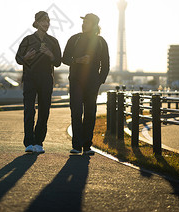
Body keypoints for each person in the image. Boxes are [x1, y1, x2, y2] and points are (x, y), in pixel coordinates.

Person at [62, 13, 109, 155]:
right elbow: (64, 59)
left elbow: (105, 65)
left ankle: (87, 146)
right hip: (76, 81)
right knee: (76, 112)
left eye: (87, 22)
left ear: (94, 25)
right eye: (83, 21)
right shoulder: (74, 39)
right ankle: (77, 146)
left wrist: (99, 81)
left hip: (92, 83)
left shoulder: (101, 42)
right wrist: (77, 61)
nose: (84, 24)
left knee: (90, 113)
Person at [15, 11, 62, 154]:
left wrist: (50, 54)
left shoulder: (53, 41)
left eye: (48, 21)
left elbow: (58, 62)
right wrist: (26, 57)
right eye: (43, 21)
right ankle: (29, 142)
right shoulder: (28, 40)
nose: (46, 24)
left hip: (46, 79)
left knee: (44, 111)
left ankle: (39, 142)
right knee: (29, 110)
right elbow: (18, 59)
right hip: (30, 79)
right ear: (36, 23)